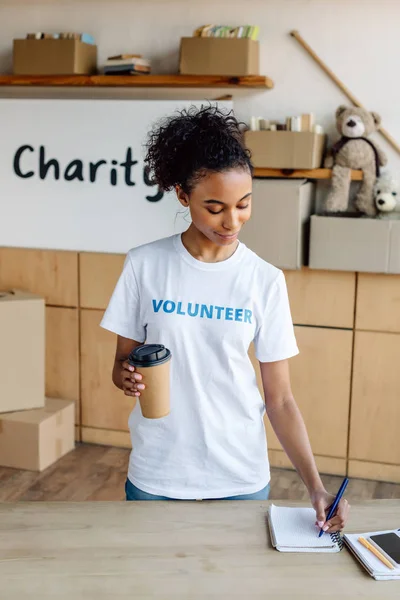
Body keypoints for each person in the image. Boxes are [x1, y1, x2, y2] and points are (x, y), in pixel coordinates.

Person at [101, 105, 349, 533]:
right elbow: (123, 362)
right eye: (214, 207)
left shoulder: (264, 281)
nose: (231, 221)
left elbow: (281, 399)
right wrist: (126, 377)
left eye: (243, 204)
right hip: (158, 470)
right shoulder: (144, 265)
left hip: (239, 474)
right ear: (183, 196)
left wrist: (316, 487)